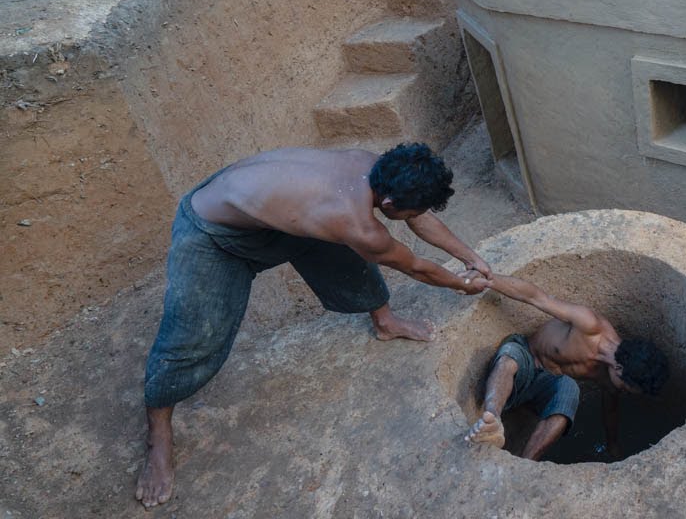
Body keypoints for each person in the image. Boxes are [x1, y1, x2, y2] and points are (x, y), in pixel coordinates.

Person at [135, 143, 494, 508]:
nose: (416, 214)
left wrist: (470, 257)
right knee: (193, 339)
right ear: (388, 206)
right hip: (213, 232)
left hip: (277, 213)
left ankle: (384, 321)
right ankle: (158, 433)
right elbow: (415, 266)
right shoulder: (354, 221)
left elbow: (418, 216)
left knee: (346, 249)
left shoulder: (376, 168)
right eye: (410, 209)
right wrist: (461, 283)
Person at [463, 273, 669, 461]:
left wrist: (613, 446)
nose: (621, 391)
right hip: (528, 357)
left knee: (569, 391)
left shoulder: (611, 379)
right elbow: (536, 297)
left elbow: (611, 413)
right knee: (510, 357)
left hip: (544, 386)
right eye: (625, 388)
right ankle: (491, 420)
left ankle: (524, 463)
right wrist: (490, 280)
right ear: (620, 369)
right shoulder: (589, 325)